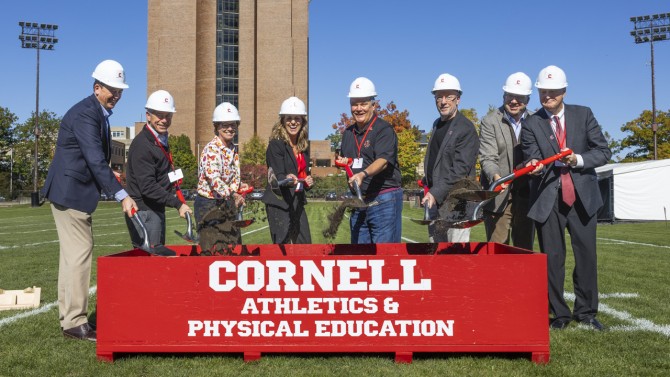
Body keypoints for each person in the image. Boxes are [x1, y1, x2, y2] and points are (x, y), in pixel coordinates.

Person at [41, 60, 137, 342]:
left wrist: (111, 176)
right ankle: (74, 321)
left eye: (120, 90)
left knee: (73, 256)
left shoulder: (94, 112)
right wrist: (122, 194)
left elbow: (92, 159)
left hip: (71, 192)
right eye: (112, 90)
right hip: (70, 194)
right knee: (80, 253)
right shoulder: (87, 114)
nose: (117, 96)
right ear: (97, 88)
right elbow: (94, 159)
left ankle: (69, 317)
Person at [521, 65, 611, 331]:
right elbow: (530, 154)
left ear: (563, 91)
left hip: (583, 197)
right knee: (552, 257)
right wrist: (533, 163)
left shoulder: (583, 115)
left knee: (586, 256)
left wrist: (578, 159)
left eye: (552, 91)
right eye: (542, 91)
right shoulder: (531, 122)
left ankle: (586, 312)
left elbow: (602, 151)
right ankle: (559, 314)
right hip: (549, 198)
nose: (546, 95)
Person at [335, 77, 403, 244]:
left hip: (384, 199)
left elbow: (383, 160)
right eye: (354, 104)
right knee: (360, 257)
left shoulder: (383, 129)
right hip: (359, 201)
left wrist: (363, 174)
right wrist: (345, 164)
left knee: (385, 256)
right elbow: (353, 161)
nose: (359, 109)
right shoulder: (348, 134)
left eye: (363, 104)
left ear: (373, 105)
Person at [124, 90, 192, 252]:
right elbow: (147, 187)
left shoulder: (159, 139)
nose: (164, 120)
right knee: (150, 261)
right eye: (159, 115)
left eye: (168, 115)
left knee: (155, 258)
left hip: (154, 208)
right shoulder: (143, 145)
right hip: (145, 211)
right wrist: (177, 204)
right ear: (148, 115)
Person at [478, 72, 535, 250]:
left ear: (528, 98)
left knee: (524, 252)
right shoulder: (490, 121)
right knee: (497, 253)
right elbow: (488, 157)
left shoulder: (537, 120)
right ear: (503, 96)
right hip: (500, 196)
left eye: (519, 97)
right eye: (510, 95)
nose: (514, 101)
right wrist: (496, 178)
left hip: (527, 195)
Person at [421, 73, 479, 243]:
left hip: (457, 202)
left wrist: (434, 192)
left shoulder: (466, 129)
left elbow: (459, 171)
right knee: (435, 252)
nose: (443, 101)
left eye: (449, 97)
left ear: (458, 99)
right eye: (439, 97)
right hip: (435, 199)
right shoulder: (437, 124)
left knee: (455, 255)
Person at [194, 102, 249, 252]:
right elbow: (214, 179)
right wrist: (233, 194)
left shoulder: (232, 148)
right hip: (209, 204)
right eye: (225, 124)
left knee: (232, 245)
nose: (230, 128)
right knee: (212, 248)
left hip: (226, 202)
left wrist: (238, 186)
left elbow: (231, 175)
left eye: (233, 124)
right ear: (217, 126)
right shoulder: (211, 149)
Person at [262, 96, 314, 243]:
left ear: (303, 121)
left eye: (297, 118)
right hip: (279, 202)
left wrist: (308, 180)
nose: (293, 122)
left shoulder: (304, 145)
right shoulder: (276, 144)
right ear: (282, 121)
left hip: (297, 201)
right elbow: (277, 175)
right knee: (282, 247)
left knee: (305, 244)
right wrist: (287, 178)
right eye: (289, 118)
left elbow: (304, 173)